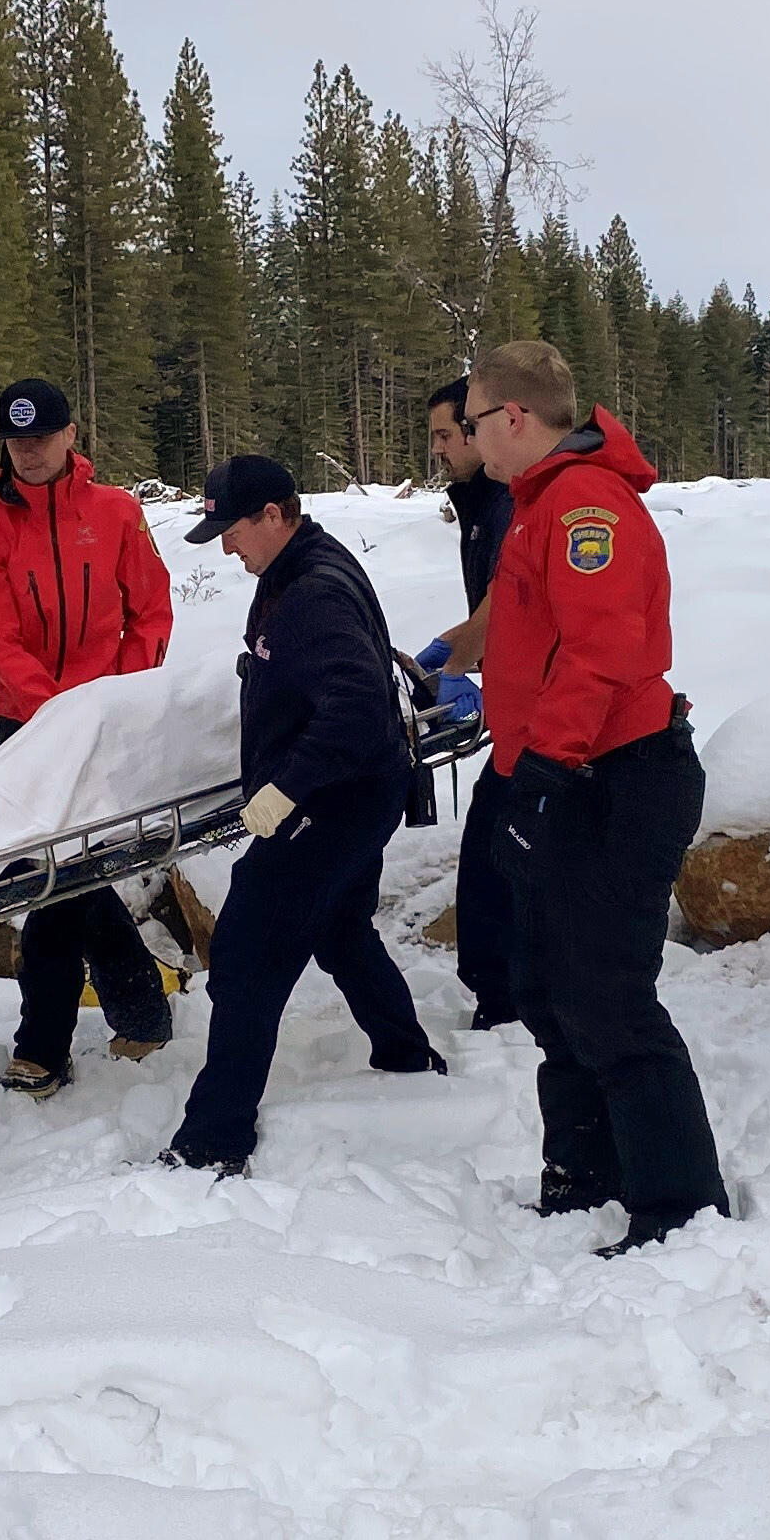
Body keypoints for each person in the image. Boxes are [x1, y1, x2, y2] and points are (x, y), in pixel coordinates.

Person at [461, 341, 732, 1253]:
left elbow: (605, 650)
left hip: (621, 774)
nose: (462, 441)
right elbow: (527, 633)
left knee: (607, 990)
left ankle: (680, 1204)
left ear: (512, 417)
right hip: (565, 773)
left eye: (469, 422)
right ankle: (586, 1172)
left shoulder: (583, 504)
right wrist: (450, 665)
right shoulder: (535, 507)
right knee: (543, 981)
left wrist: (545, 770)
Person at [157, 455, 446, 1174]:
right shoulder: (302, 567)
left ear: (275, 515)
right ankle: (407, 1055)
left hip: (332, 801)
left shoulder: (310, 592)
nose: (226, 546)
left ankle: (212, 1140)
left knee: (248, 958)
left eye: (233, 529)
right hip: (358, 792)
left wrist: (286, 789)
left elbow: (351, 709)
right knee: (342, 929)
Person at [0, 374, 177, 1095]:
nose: (30, 452)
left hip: (108, 720)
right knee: (51, 875)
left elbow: (150, 611)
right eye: (17, 441)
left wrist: (120, 696)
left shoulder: (116, 513)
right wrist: (55, 714)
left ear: (71, 435)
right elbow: (0, 638)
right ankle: (126, 1012)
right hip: (27, 726)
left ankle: (48, 1045)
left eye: (42, 438)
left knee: (63, 878)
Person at [420, 374, 517, 1032]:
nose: (438, 449)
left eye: (447, 434)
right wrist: (441, 654)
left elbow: (506, 605)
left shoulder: (510, 502)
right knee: (493, 856)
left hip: (553, 721)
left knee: (495, 860)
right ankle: (504, 992)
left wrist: (452, 661)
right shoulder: (479, 505)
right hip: (520, 710)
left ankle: (508, 1000)